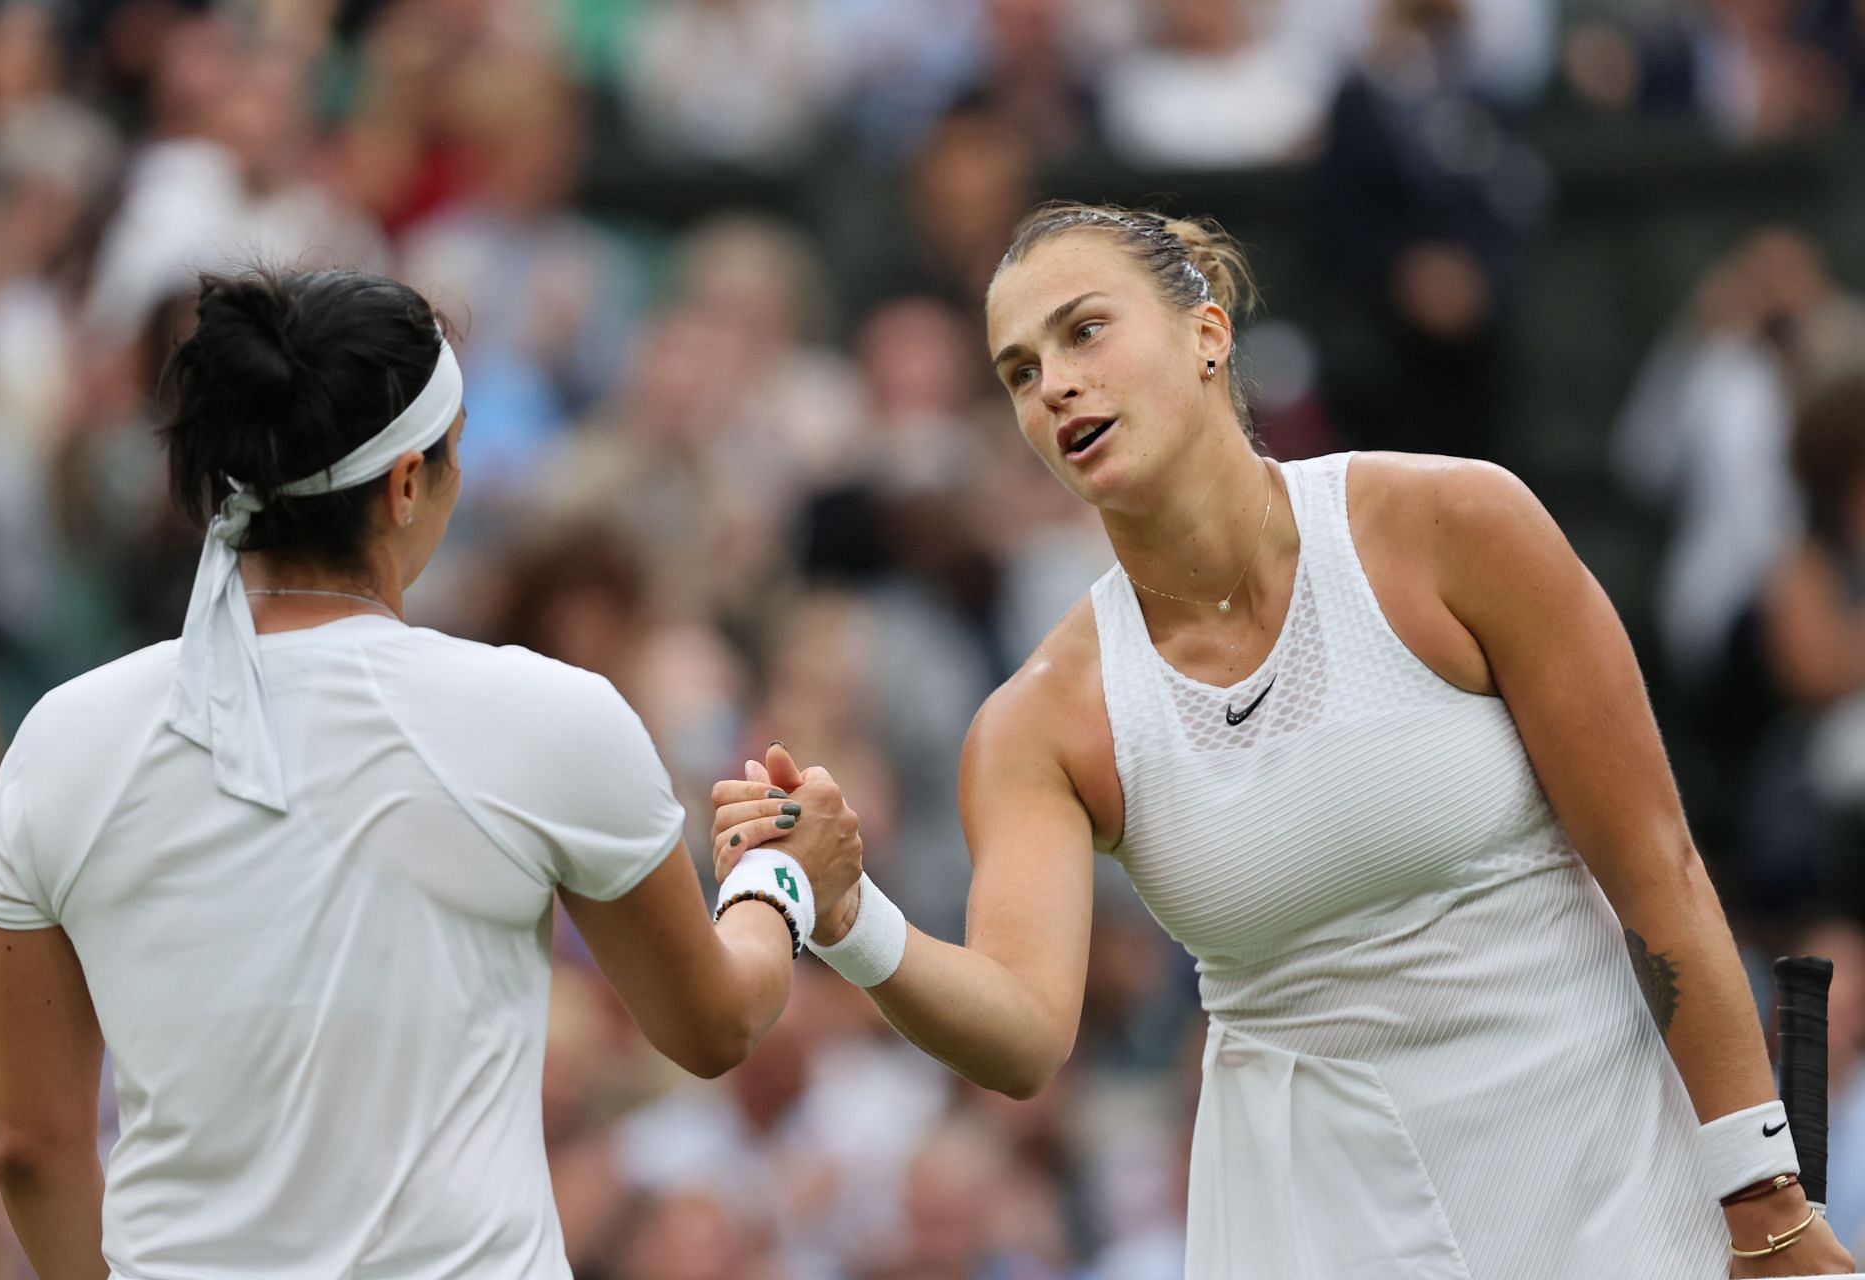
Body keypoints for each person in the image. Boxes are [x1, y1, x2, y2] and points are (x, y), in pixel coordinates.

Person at [714, 205, 1855, 1277]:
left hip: (1607, 1173)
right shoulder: (1039, 719)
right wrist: (855, 917)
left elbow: (1660, 869)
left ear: (1207, 331)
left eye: (1085, 330)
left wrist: (1766, 1199)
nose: (1055, 382)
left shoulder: (1458, 526)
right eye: (1020, 370)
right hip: (1310, 1222)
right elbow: (1023, 1036)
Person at [0, 267, 861, 1279]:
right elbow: (714, 1022)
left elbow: (33, 1151)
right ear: (405, 483)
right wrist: (776, 878)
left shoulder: (60, 738)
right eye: (454, 451)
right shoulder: (548, 717)